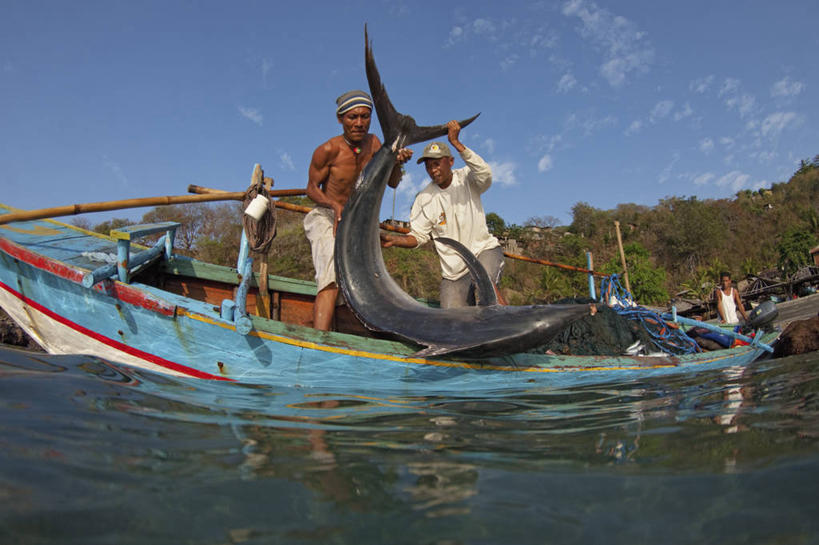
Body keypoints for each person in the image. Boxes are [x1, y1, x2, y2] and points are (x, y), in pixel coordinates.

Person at [304, 90, 412, 331]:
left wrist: (396, 161)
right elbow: (311, 189)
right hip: (327, 215)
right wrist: (334, 205)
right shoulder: (328, 150)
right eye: (353, 117)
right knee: (331, 276)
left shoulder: (375, 144)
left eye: (365, 117)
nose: (359, 123)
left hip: (360, 222)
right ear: (340, 118)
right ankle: (317, 342)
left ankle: (362, 336)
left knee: (367, 281)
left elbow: (392, 182)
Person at [381, 120, 505, 308]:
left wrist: (456, 143)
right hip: (453, 273)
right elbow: (419, 235)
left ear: (451, 161)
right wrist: (395, 240)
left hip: (482, 252)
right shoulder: (424, 198)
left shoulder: (467, 178)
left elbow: (485, 175)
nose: (433, 170)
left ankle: (506, 328)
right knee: (451, 321)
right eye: (428, 166)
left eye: (437, 164)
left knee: (486, 287)